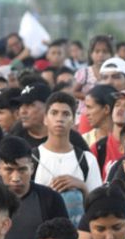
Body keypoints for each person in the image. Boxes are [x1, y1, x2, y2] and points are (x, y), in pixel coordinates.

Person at [0, 135, 69, 239]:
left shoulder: (50, 199)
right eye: (9, 170)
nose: (16, 178)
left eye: (22, 170)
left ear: (32, 169)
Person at [34, 91, 101, 224]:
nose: (60, 118)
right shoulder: (32, 158)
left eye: (66, 114)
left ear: (74, 120)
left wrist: (81, 186)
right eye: (54, 113)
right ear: (45, 119)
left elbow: (98, 206)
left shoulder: (87, 160)